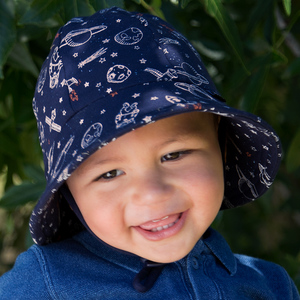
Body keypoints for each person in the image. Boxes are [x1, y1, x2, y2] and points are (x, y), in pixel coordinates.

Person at [0, 6, 299, 299]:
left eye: (174, 155)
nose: (152, 194)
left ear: (220, 146)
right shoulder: (42, 285)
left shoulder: (269, 286)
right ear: (68, 193)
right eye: (109, 173)